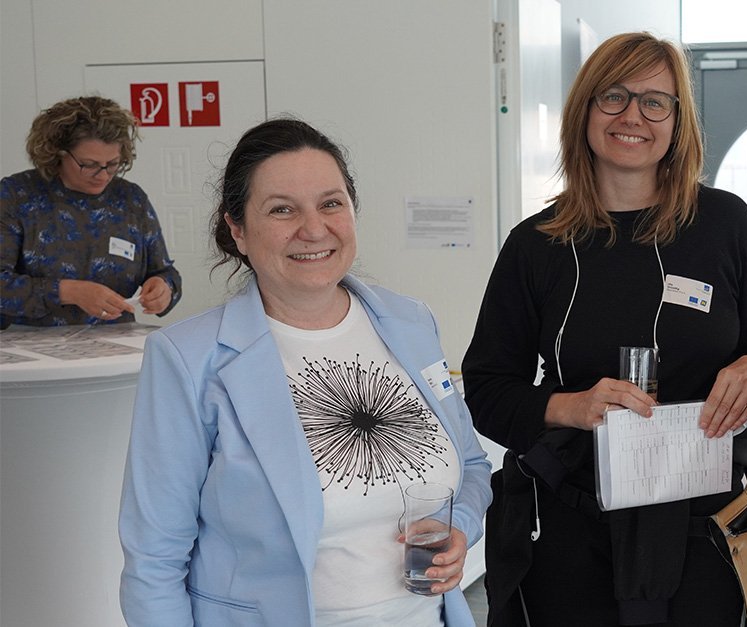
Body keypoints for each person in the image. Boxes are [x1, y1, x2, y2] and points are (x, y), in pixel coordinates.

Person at [462, 32, 747, 627]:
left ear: (677, 121)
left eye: (654, 102)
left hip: (706, 519)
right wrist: (571, 407)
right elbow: (488, 388)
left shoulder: (725, 224)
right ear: (585, 110)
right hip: (573, 522)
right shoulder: (536, 245)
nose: (632, 116)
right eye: (613, 96)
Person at [118, 119, 492, 626]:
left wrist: (459, 526)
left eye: (331, 203)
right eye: (282, 209)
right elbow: (154, 561)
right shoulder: (188, 358)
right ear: (237, 230)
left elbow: (470, 464)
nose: (314, 229)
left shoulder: (410, 323)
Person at [1, 96, 181, 329]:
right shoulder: (17, 196)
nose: (103, 175)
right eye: (89, 164)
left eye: (113, 164)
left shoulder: (131, 199)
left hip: (115, 343)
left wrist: (164, 288)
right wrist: (69, 292)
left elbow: (165, 272)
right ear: (57, 153)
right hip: (29, 345)